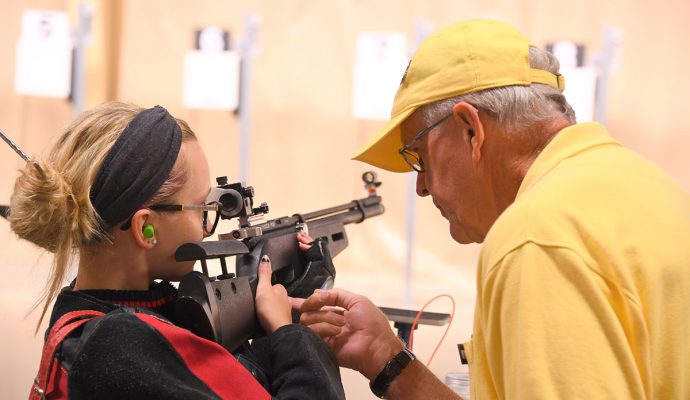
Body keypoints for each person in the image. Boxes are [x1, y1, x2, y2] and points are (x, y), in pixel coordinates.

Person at [293, 19, 690, 399]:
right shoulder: (646, 187)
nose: (422, 186)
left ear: (471, 130)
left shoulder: (537, 240)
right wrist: (385, 356)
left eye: (419, 156)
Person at [8, 102, 344, 399]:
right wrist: (293, 337)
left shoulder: (100, 315)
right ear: (145, 229)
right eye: (201, 207)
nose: (205, 226)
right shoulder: (117, 346)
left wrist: (287, 301)